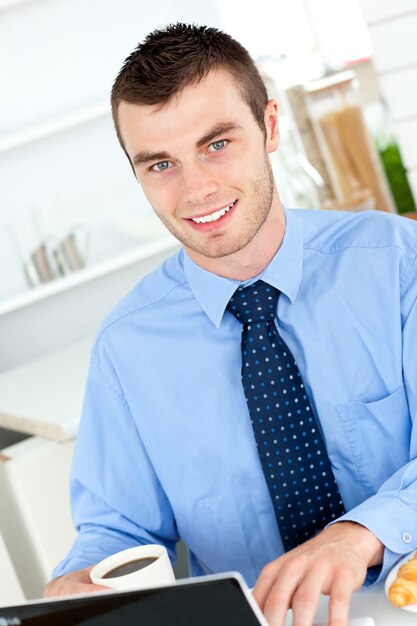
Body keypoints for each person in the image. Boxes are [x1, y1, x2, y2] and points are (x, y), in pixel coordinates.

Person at [44, 22, 417, 626]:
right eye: (160, 163)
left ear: (270, 126)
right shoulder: (126, 349)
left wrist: (359, 532)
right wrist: (83, 585)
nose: (196, 189)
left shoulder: (398, 265)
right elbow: (118, 532)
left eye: (217, 144)